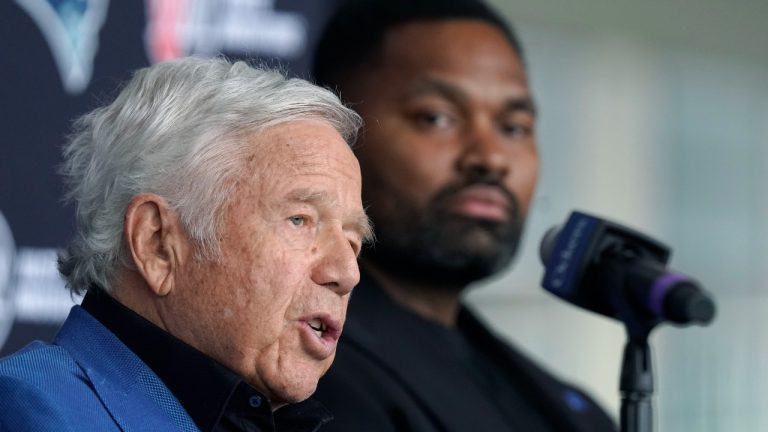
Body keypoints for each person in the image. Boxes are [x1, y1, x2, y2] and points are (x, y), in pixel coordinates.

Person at [0, 57, 373, 432]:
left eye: (353, 240)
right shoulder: (28, 414)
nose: (347, 272)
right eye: (300, 221)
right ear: (158, 244)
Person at [310, 1, 618, 431]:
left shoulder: (571, 411)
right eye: (437, 118)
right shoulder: (299, 376)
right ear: (334, 131)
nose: (490, 158)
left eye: (513, 127)